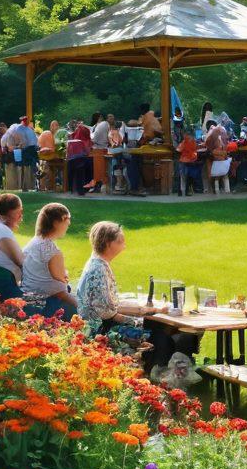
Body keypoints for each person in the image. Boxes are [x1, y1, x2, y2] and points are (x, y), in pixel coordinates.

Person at [76, 221, 199, 372]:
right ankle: (154, 378)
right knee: (161, 337)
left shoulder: (97, 263)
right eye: (120, 242)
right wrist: (145, 314)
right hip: (102, 330)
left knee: (158, 327)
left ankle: (160, 373)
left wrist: (145, 311)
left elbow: (110, 304)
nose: (124, 246)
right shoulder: (99, 269)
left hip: (98, 325)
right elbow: (109, 312)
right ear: (108, 243)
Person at [21, 203, 77, 318]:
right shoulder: (53, 252)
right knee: (85, 310)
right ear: (57, 222)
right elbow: (61, 288)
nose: (69, 223)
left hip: (27, 300)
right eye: (67, 219)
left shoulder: (33, 243)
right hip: (44, 306)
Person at [65, 120, 93, 196]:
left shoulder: (75, 133)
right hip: (81, 156)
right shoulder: (82, 131)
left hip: (73, 156)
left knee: (73, 174)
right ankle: (80, 191)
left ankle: (72, 190)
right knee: (80, 174)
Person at [204, 120, 232, 194]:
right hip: (223, 160)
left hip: (214, 159)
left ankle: (214, 189)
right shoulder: (222, 131)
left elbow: (207, 145)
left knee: (210, 165)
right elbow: (227, 144)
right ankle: (226, 189)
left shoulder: (210, 134)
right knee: (224, 172)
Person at [88, 112, 111, 193]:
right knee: (97, 169)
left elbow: (94, 138)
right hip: (96, 150)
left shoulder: (103, 124)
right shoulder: (96, 126)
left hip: (100, 149)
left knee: (99, 169)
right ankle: (96, 184)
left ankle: (99, 184)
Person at [176, 130, 203, 196]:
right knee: (189, 176)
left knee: (182, 177)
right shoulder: (193, 141)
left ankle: (180, 192)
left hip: (183, 160)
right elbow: (196, 149)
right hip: (190, 161)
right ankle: (186, 191)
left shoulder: (184, 142)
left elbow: (178, 150)